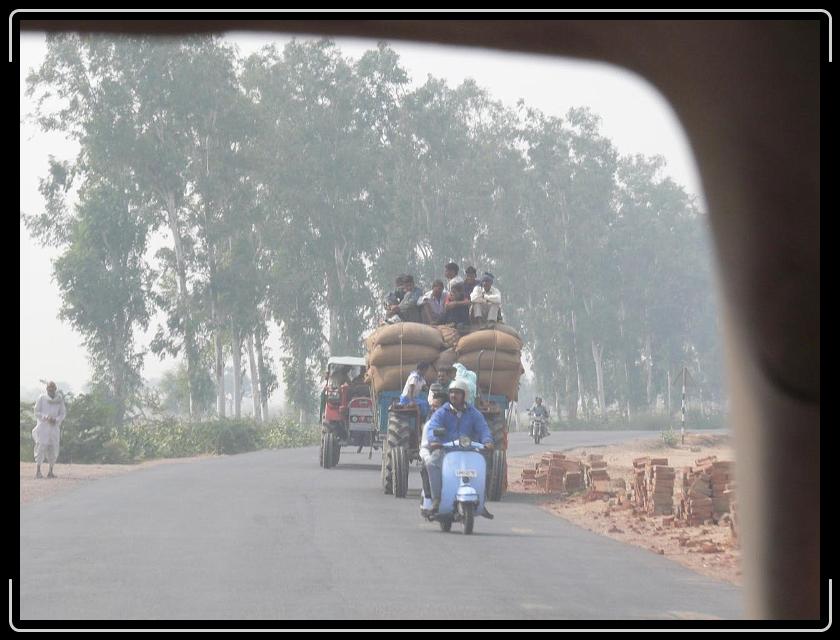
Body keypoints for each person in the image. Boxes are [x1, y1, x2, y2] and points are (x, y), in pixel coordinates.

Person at [424, 379, 495, 517]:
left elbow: (483, 428)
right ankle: (436, 499)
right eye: (451, 393)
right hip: (446, 450)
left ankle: (482, 500)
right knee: (431, 463)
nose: (453, 396)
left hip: (469, 451)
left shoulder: (473, 413)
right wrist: (435, 440)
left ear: (464, 395)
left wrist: (487, 441)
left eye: (457, 393)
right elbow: (433, 427)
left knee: (485, 464)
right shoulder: (442, 412)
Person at [32, 381, 66, 479]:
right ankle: (38, 471)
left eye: (52, 389)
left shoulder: (59, 400)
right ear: (47, 389)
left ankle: (50, 471)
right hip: (43, 427)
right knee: (40, 448)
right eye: (49, 389)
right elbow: (36, 412)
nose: (51, 391)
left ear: (55, 389)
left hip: (54, 428)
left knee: (54, 448)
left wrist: (56, 420)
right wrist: (46, 417)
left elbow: (63, 413)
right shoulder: (42, 398)